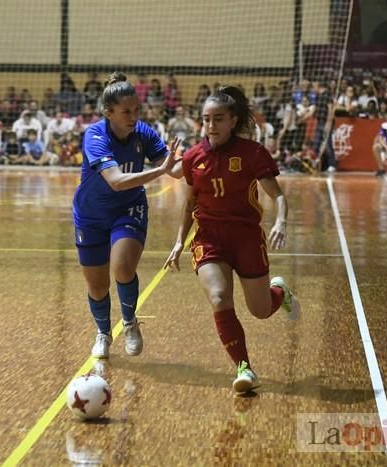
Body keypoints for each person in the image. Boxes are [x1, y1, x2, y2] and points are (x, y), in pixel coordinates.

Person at [163, 86, 300, 394]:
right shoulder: (194, 157)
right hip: (210, 238)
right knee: (219, 296)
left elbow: (277, 196)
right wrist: (177, 242)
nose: (211, 126)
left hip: (247, 237)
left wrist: (281, 221)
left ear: (233, 120)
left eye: (218, 119)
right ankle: (245, 368)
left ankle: (279, 291)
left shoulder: (252, 153)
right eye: (206, 119)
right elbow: (188, 205)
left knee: (260, 310)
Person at [73, 72, 183, 360]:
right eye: (126, 111)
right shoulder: (95, 135)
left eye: (136, 110)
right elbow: (116, 180)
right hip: (91, 214)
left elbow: (175, 168)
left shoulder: (144, 133)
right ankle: (103, 332)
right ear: (108, 113)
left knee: (122, 267)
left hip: (128, 208)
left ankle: (130, 322)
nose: (133, 116)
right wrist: (162, 171)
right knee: (97, 285)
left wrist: (199, 157)